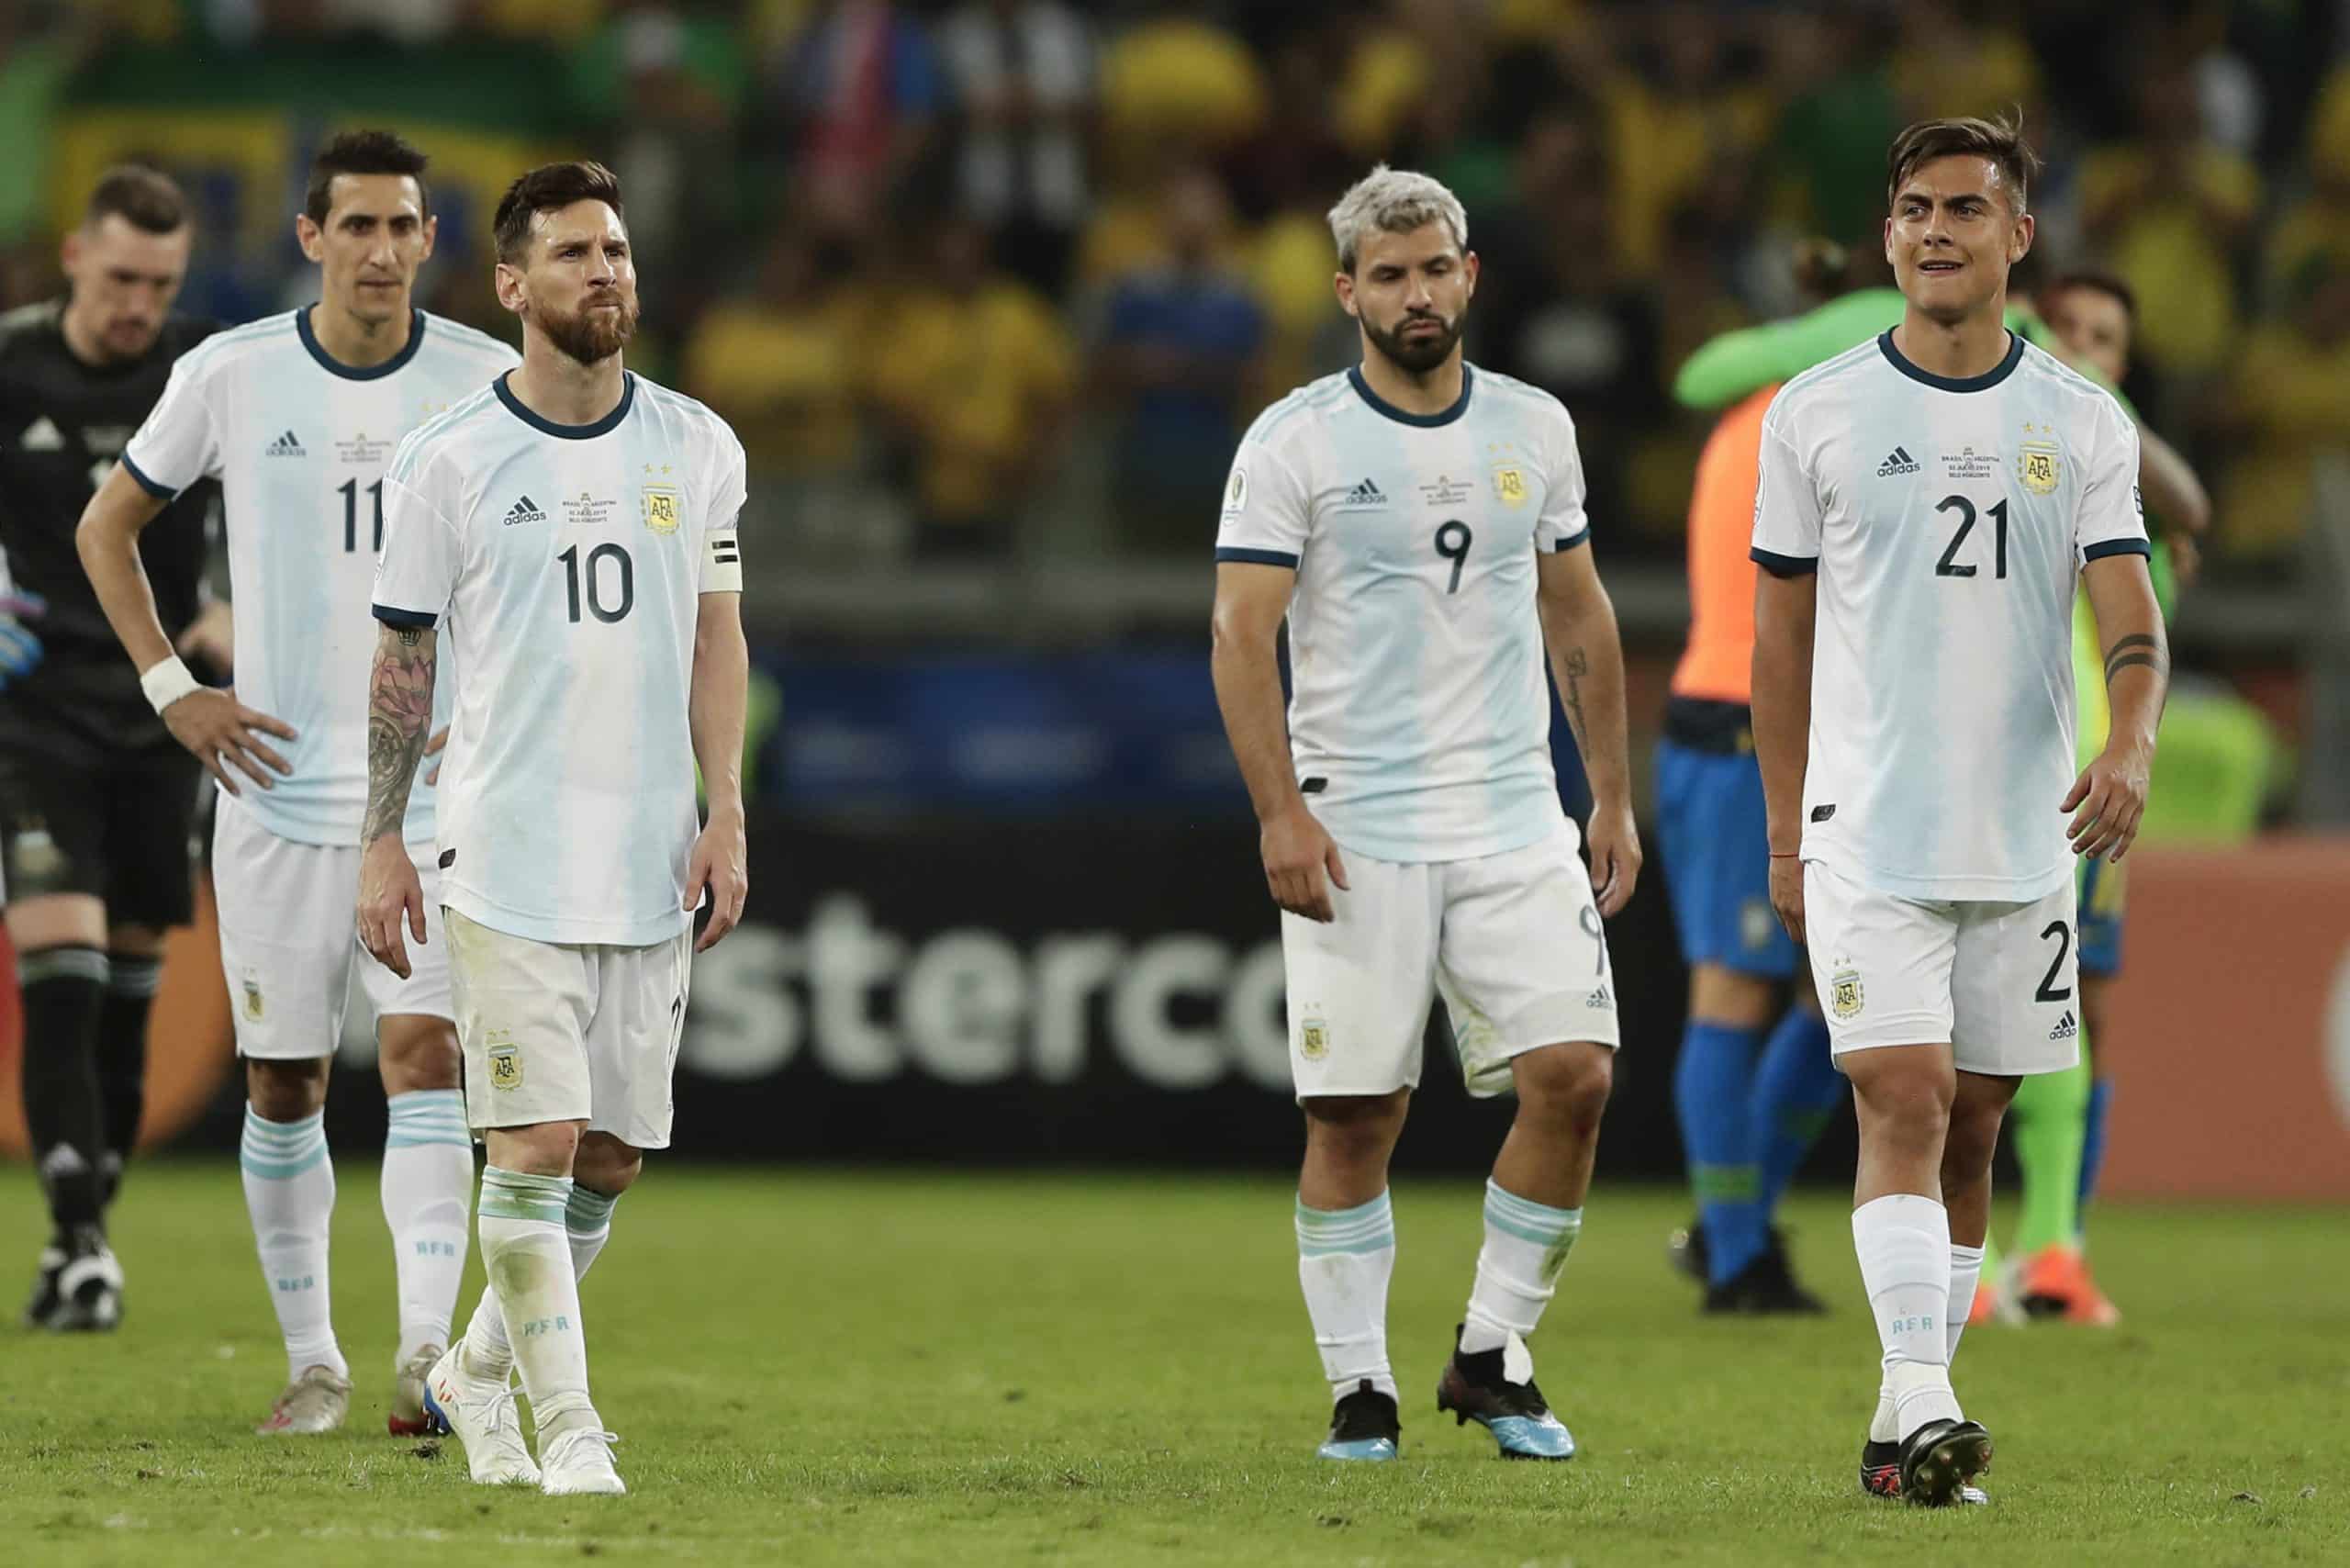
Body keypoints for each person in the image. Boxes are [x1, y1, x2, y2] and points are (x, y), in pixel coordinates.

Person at [1749, 116, 2167, 1507]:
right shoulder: (1813, 412)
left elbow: (2132, 624)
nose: (1937, 230)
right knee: (1907, 1096)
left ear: (2018, 240)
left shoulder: (2078, 420)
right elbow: (1779, 645)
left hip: (2024, 835)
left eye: (1967, 210)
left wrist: (2137, 745)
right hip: (1866, 825)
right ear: (1887, 237)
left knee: (1979, 1117)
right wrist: (1782, 831)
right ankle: (1922, 1396)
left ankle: (1901, 1426)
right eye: (1916, 209)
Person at [78, 132, 520, 1434]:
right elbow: (108, 526)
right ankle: (315, 1361)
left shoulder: (488, 382)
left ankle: (423, 1360)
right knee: (285, 1084)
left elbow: (518, 574)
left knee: (428, 1057)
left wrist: (485, 705)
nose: (383, 250)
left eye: (405, 227)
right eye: (359, 227)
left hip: (431, 806)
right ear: (310, 238)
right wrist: (175, 689)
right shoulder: (229, 374)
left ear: (430, 242)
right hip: (272, 792)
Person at [1211, 166, 1636, 1465]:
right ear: (1348, 293)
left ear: (1468, 276)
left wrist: (1609, 788)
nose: (1413, 293)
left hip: (1513, 811)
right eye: (1386, 275)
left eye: (1433, 268)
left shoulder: (1533, 429)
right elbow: (1242, 634)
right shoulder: (1296, 441)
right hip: (1358, 820)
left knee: (1576, 1078)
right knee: (1356, 1116)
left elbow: (1578, 612)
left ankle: (1492, 1358)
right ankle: (1361, 1391)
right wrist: (1279, 811)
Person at [358, 161, 749, 1497]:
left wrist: (726, 812)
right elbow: (403, 662)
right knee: (527, 1147)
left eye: (620, 250)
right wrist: (380, 837)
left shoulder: (697, 444)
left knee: (611, 1157)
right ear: (514, 286)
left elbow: (716, 635)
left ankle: (474, 1368)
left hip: (647, 858)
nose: (608, 273)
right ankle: (570, 1429)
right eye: (577, 254)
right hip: (505, 854)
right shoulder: (451, 457)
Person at [0, 165, 220, 1331]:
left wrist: (233, 611)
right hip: (33, 711)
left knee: (131, 992)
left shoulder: (205, 372)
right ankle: (84, 1244)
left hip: (163, 709)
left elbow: (266, 512)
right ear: (77, 256)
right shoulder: (10, 362)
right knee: (64, 974)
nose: (141, 303)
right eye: (124, 275)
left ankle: (77, 1234)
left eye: (163, 283)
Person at [1983, 271, 2207, 1327]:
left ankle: (2055, 1251)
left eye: (2099, 337)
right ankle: (1969, 1265)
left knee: (2076, 1010)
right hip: (1976, 761)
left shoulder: (2102, 460)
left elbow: (2188, 512)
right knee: (1955, 1018)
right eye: (2059, 325)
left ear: (2122, 362)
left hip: (2079, 771)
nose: (2072, 345)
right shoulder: (1981, 430)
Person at [1656, 250, 1852, 1317]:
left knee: (1835, 1000)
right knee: (1738, 990)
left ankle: (1730, 1225)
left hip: (1773, 726)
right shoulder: (1795, 423)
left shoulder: (1760, 415)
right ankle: (1735, 1256)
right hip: (1741, 725)